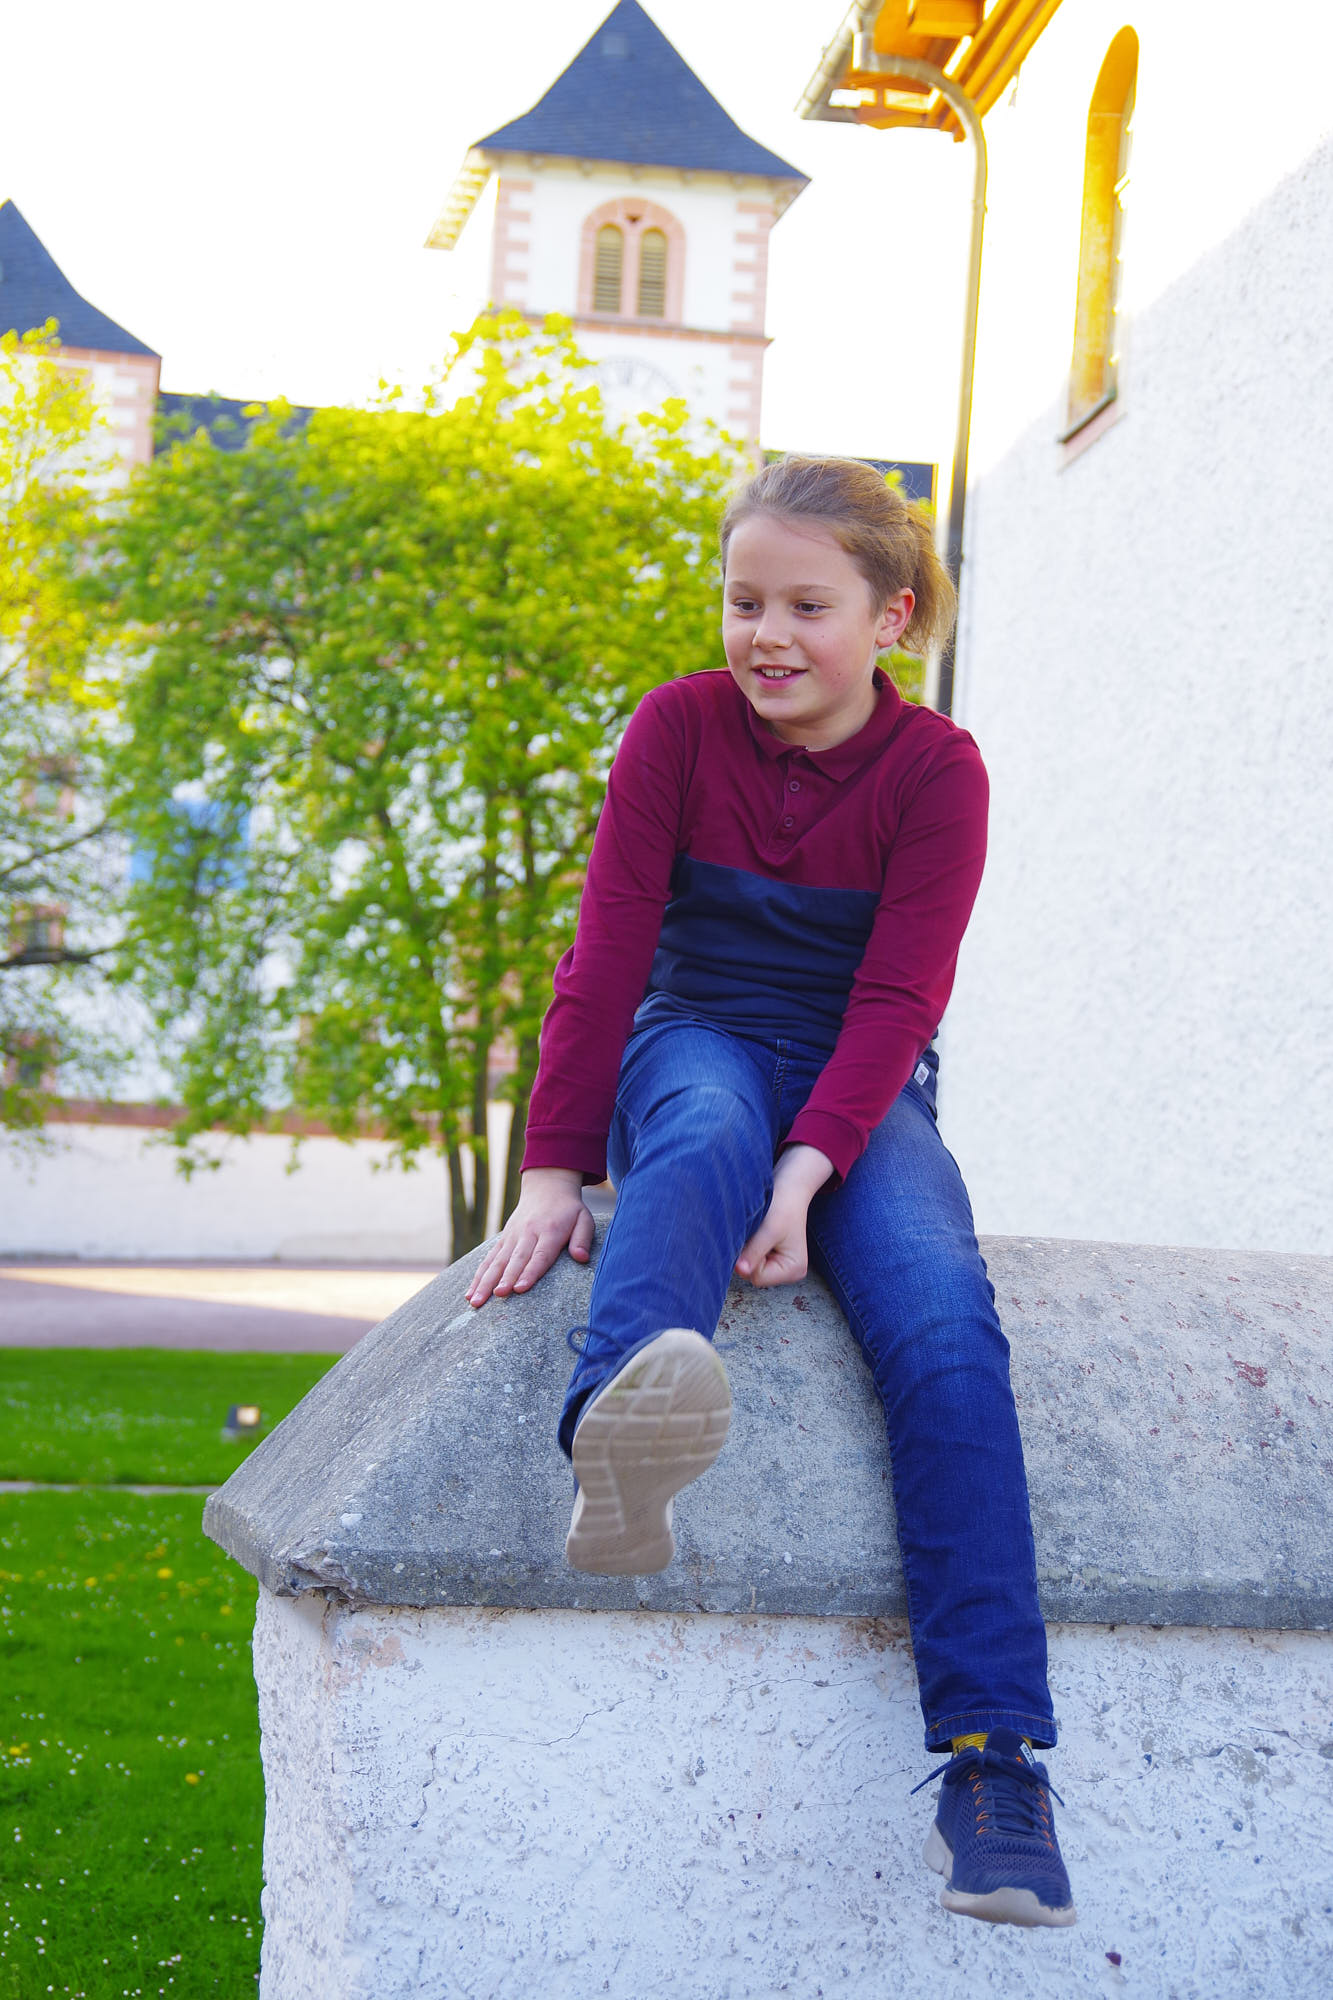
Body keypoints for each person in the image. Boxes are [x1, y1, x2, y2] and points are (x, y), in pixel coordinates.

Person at [467, 455, 1075, 1930]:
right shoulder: (679, 728)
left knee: (945, 1330)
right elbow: (608, 954)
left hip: (864, 1080)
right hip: (699, 1034)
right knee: (694, 1139)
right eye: (745, 601)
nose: (766, 634)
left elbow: (899, 998)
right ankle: (615, 1437)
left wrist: (813, 1175)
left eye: (806, 604)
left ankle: (992, 1770)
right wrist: (551, 1169)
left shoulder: (937, 772)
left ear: (891, 615)